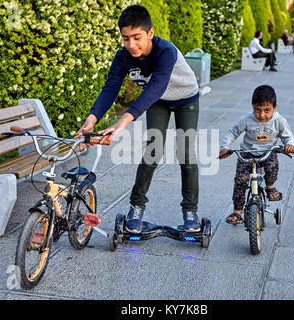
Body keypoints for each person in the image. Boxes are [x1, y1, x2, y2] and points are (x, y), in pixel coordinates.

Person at [76, 5, 201, 233]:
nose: (131, 45)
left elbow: (155, 87)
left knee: (186, 153)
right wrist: (91, 119)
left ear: (150, 33)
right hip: (158, 102)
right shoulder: (123, 57)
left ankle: (190, 212)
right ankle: (136, 207)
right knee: (152, 152)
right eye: (125, 39)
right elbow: (110, 88)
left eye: (137, 38)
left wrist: (122, 122)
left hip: (186, 98)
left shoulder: (166, 52)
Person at [218, 85, 294, 224]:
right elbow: (233, 132)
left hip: (268, 153)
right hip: (247, 154)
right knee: (240, 181)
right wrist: (225, 147)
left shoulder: (279, 121)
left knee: (272, 167)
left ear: (275, 107)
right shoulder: (247, 119)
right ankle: (237, 211)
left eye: (267, 110)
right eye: (257, 110)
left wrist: (290, 145)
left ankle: (270, 186)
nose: (262, 115)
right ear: (252, 106)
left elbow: (287, 136)